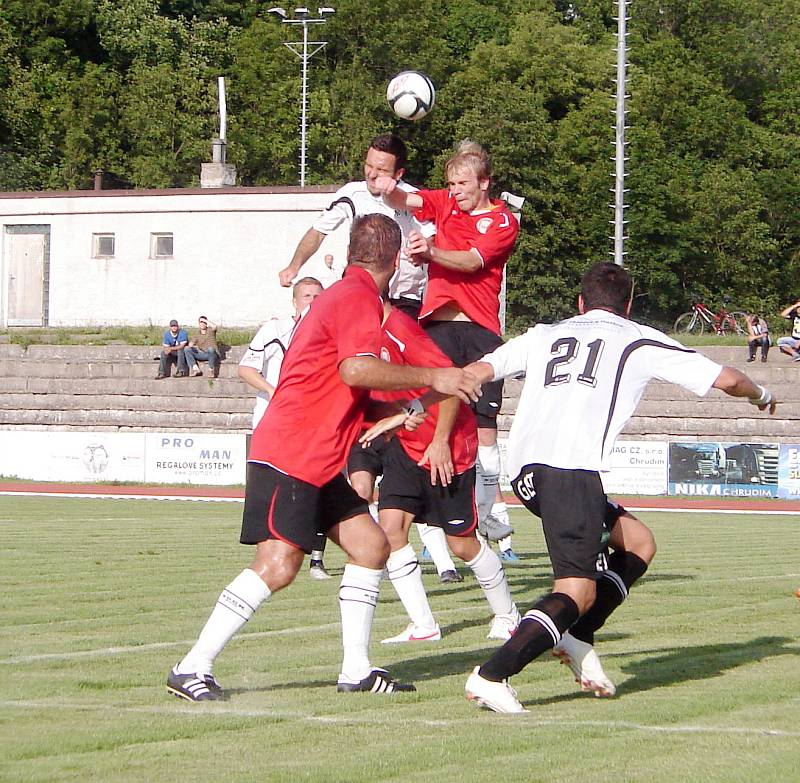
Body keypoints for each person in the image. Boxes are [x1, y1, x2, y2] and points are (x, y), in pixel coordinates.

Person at [166, 214, 480, 702]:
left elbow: (339, 378)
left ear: (353, 252)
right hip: (291, 452)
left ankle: (356, 669)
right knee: (278, 564)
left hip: (317, 454)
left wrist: (395, 409)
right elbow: (356, 369)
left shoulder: (344, 294)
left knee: (370, 547)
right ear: (396, 262)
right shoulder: (356, 298)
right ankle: (192, 666)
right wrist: (435, 379)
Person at [458, 261, 777, 713]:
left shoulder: (544, 333)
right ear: (628, 305)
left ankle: (576, 636)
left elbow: (476, 371)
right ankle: (493, 675)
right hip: (569, 470)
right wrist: (761, 396)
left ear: (580, 303)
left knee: (638, 544)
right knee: (576, 590)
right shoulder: (637, 338)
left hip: (527, 472)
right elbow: (727, 378)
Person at [375, 139, 520, 548]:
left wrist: (432, 253)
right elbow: (412, 198)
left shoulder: (505, 222)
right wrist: (389, 186)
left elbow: (473, 261)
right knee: (425, 414)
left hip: (480, 330)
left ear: (485, 183)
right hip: (437, 327)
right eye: (451, 183)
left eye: (461, 183)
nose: (454, 190)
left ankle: (488, 511)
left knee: (484, 427)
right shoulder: (446, 202)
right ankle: (419, 512)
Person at [360, 302, 520, 645]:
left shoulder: (404, 330)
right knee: (391, 531)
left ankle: (508, 615)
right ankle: (423, 625)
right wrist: (398, 418)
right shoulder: (362, 336)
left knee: (461, 545)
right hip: (407, 447)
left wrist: (441, 440)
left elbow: (452, 382)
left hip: (449, 448)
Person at [278, 133, 434, 319]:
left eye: (381, 169)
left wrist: (422, 251)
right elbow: (318, 231)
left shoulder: (413, 198)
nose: (371, 174)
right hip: (360, 295)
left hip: (403, 299)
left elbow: (431, 239)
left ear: (398, 174)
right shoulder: (352, 193)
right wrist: (294, 266)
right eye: (369, 165)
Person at [237, 277, 331, 579]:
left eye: (318, 296)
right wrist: (273, 390)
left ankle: (316, 558)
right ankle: (266, 557)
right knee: (270, 498)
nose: (312, 301)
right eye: (307, 295)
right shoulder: (275, 330)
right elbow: (246, 368)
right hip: (273, 427)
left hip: (312, 426)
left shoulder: (329, 334)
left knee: (318, 491)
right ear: (294, 300)